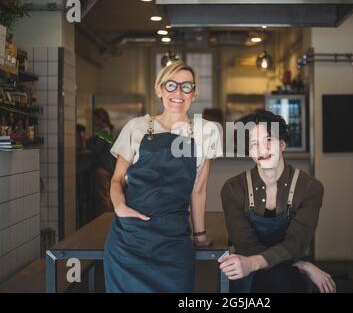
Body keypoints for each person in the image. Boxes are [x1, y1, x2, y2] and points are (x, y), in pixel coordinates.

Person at [103, 61, 222, 293]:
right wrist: (119, 207)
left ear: (194, 93)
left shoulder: (206, 131)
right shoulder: (136, 127)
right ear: (159, 90)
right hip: (129, 241)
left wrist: (199, 235)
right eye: (171, 85)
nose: (178, 92)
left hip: (174, 241)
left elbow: (199, 189)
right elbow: (117, 180)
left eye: (186, 87)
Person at [219, 110, 337, 293]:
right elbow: (246, 246)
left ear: (282, 143)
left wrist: (255, 262)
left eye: (268, 140)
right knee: (276, 278)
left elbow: (295, 243)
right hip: (249, 274)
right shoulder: (233, 189)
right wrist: (302, 265)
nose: (262, 150)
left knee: (280, 279)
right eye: (253, 144)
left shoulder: (309, 188)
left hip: (282, 274)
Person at [88, 108, 116, 216]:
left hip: (102, 168)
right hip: (108, 167)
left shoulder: (103, 132)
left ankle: (105, 221)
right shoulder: (107, 130)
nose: (93, 121)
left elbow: (97, 149)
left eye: (94, 119)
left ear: (100, 119)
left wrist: (89, 142)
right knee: (107, 195)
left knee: (103, 197)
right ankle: (108, 220)